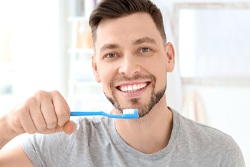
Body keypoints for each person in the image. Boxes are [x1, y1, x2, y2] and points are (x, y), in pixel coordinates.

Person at [0, 0, 246, 166]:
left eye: (144, 49)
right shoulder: (64, 144)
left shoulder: (219, 154)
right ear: (96, 69)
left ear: (169, 57)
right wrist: (9, 125)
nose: (128, 68)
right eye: (111, 54)